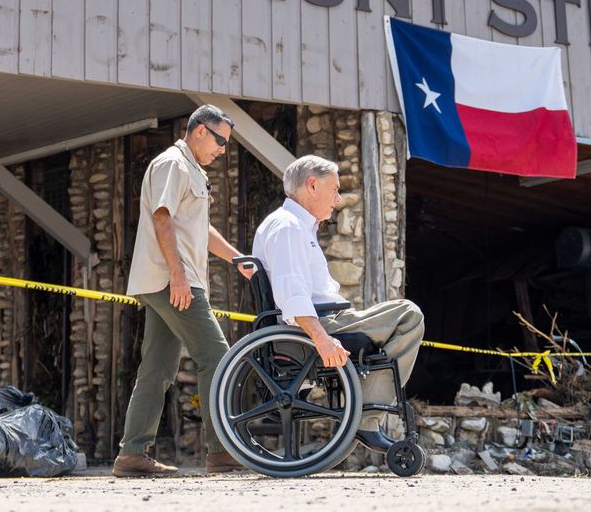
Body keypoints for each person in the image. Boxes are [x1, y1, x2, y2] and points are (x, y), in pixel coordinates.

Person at [252, 154, 424, 451]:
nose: (338, 198)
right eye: (335, 189)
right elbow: (291, 294)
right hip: (314, 327)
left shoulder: (297, 227)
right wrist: (322, 339)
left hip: (324, 319)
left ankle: (366, 412)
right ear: (312, 185)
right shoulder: (288, 227)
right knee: (408, 315)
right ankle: (366, 416)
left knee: (402, 314)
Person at [113, 105, 250, 477]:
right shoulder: (173, 163)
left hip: (166, 280)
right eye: (220, 141)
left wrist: (238, 259)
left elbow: (198, 230)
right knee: (217, 356)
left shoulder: (191, 169)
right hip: (173, 280)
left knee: (157, 366)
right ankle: (221, 450)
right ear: (200, 130)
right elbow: (162, 217)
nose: (223, 150)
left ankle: (132, 454)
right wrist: (178, 276)